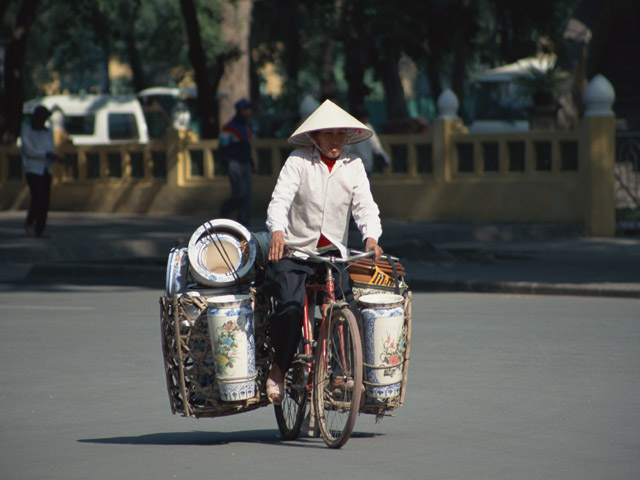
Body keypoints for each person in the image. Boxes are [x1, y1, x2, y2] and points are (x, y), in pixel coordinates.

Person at [264, 99, 384, 404]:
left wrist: (371, 237)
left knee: (346, 307)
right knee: (289, 309)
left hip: (333, 254)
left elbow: (365, 207)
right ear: (314, 138)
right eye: (328, 134)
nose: (335, 140)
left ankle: (342, 373)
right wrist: (277, 230)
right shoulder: (298, 161)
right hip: (295, 252)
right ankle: (279, 368)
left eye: (340, 135)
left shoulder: (353, 166)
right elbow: (280, 200)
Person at [20, 105, 63, 238]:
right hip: (33, 168)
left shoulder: (47, 131)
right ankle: (30, 222)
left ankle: (40, 228)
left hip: (45, 169)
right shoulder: (27, 131)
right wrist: (46, 154)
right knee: (37, 197)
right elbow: (29, 151)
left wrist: (54, 158)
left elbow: (51, 148)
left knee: (44, 199)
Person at [219, 98, 254, 227]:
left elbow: (248, 147)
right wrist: (227, 163)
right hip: (234, 162)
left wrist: (252, 163)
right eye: (246, 109)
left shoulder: (247, 126)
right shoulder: (229, 127)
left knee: (247, 195)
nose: (249, 111)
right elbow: (222, 147)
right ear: (240, 111)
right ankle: (225, 211)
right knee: (239, 193)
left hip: (246, 162)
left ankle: (244, 221)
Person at [348, 105, 390, 176]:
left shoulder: (368, 128)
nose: (365, 121)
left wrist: (384, 158)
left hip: (366, 167)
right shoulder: (349, 130)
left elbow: (376, 145)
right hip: (352, 167)